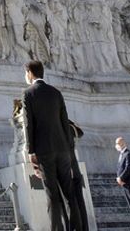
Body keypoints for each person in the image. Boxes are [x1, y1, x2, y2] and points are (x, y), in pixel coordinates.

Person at [23, 61, 83, 231]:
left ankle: (57, 228)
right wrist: (69, 149)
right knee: (69, 193)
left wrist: (30, 150)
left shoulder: (28, 93)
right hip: (63, 149)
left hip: (44, 150)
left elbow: (29, 124)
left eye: (26, 73)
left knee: (52, 195)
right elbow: (65, 122)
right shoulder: (56, 92)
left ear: (29, 73)